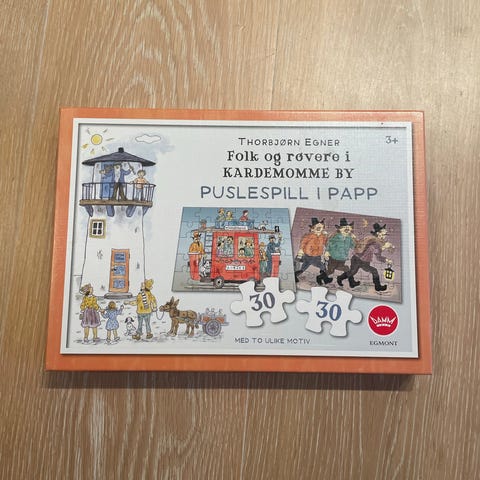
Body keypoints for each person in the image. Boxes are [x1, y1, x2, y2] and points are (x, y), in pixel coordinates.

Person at [342, 223, 393, 291]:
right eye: (383, 234)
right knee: (353, 272)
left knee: (356, 272)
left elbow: (378, 257)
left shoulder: (379, 243)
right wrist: (383, 247)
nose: (384, 236)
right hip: (357, 259)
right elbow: (371, 249)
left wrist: (386, 260)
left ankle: (377, 287)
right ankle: (342, 279)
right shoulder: (372, 240)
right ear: (378, 233)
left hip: (364, 262)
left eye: (385, 235)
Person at [295, 218, 332, 285]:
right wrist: (300, 251)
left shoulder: (322, 236)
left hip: (317, 255)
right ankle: (321, 278)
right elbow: (303, 243)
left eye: (321, 227)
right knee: (322, 267)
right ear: (312, 228)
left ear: (323, 228)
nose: (319, 228)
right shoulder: (308, 236)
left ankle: (295, 275)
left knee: (305, 266)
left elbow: (326, 243)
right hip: (310, 255)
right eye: (317, 227)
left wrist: (327, 237)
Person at [324, 218, 359, 288]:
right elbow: (329, 244)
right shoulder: (336, 237)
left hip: (342, 259)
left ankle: (351, 282)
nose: (347, 229)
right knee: (330, 271)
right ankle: (320, 277)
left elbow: (353, 246)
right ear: (340, 229)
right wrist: (327, 252)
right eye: (344, 228)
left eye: (348, 228)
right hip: (333, 258)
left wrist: (355, 239)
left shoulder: (349, 238)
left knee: (346, 269)